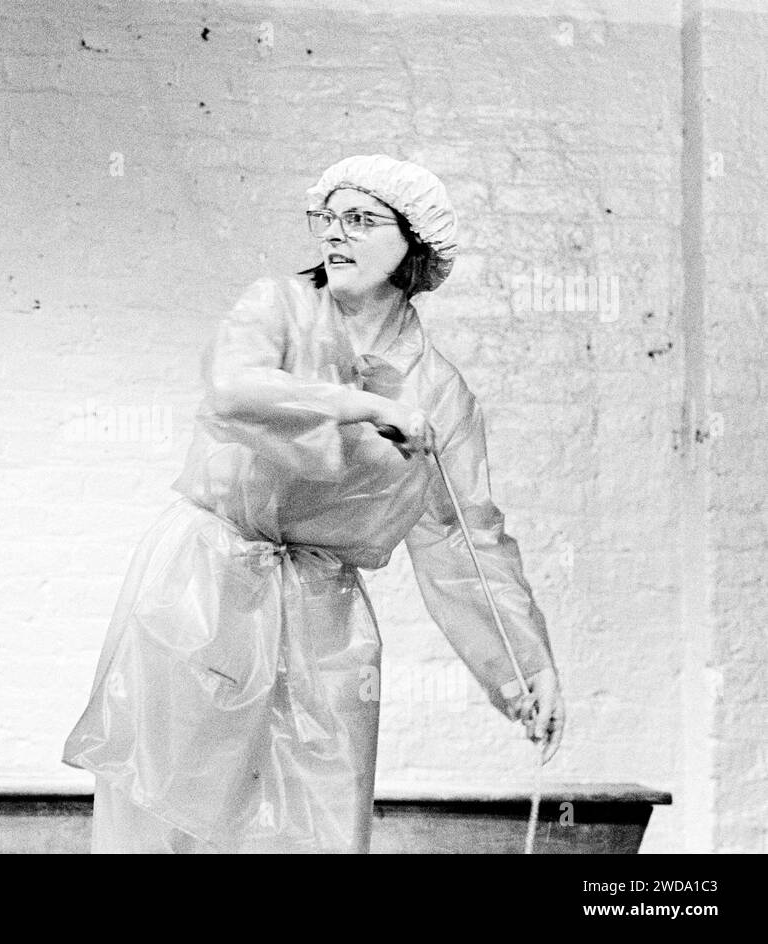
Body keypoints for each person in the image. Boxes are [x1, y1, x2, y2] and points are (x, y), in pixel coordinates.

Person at [64, 154, 565, 853]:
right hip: (206, 583)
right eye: (327, 218)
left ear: (415, 244)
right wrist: (356, 405)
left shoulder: (439, 394)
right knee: (168, 809)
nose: (335, 234)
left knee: (319, 816)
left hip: (323, 613)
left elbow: (462, 539)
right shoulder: (277, 306)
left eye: (360, 219)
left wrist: (524, 669)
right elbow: (234, 389)